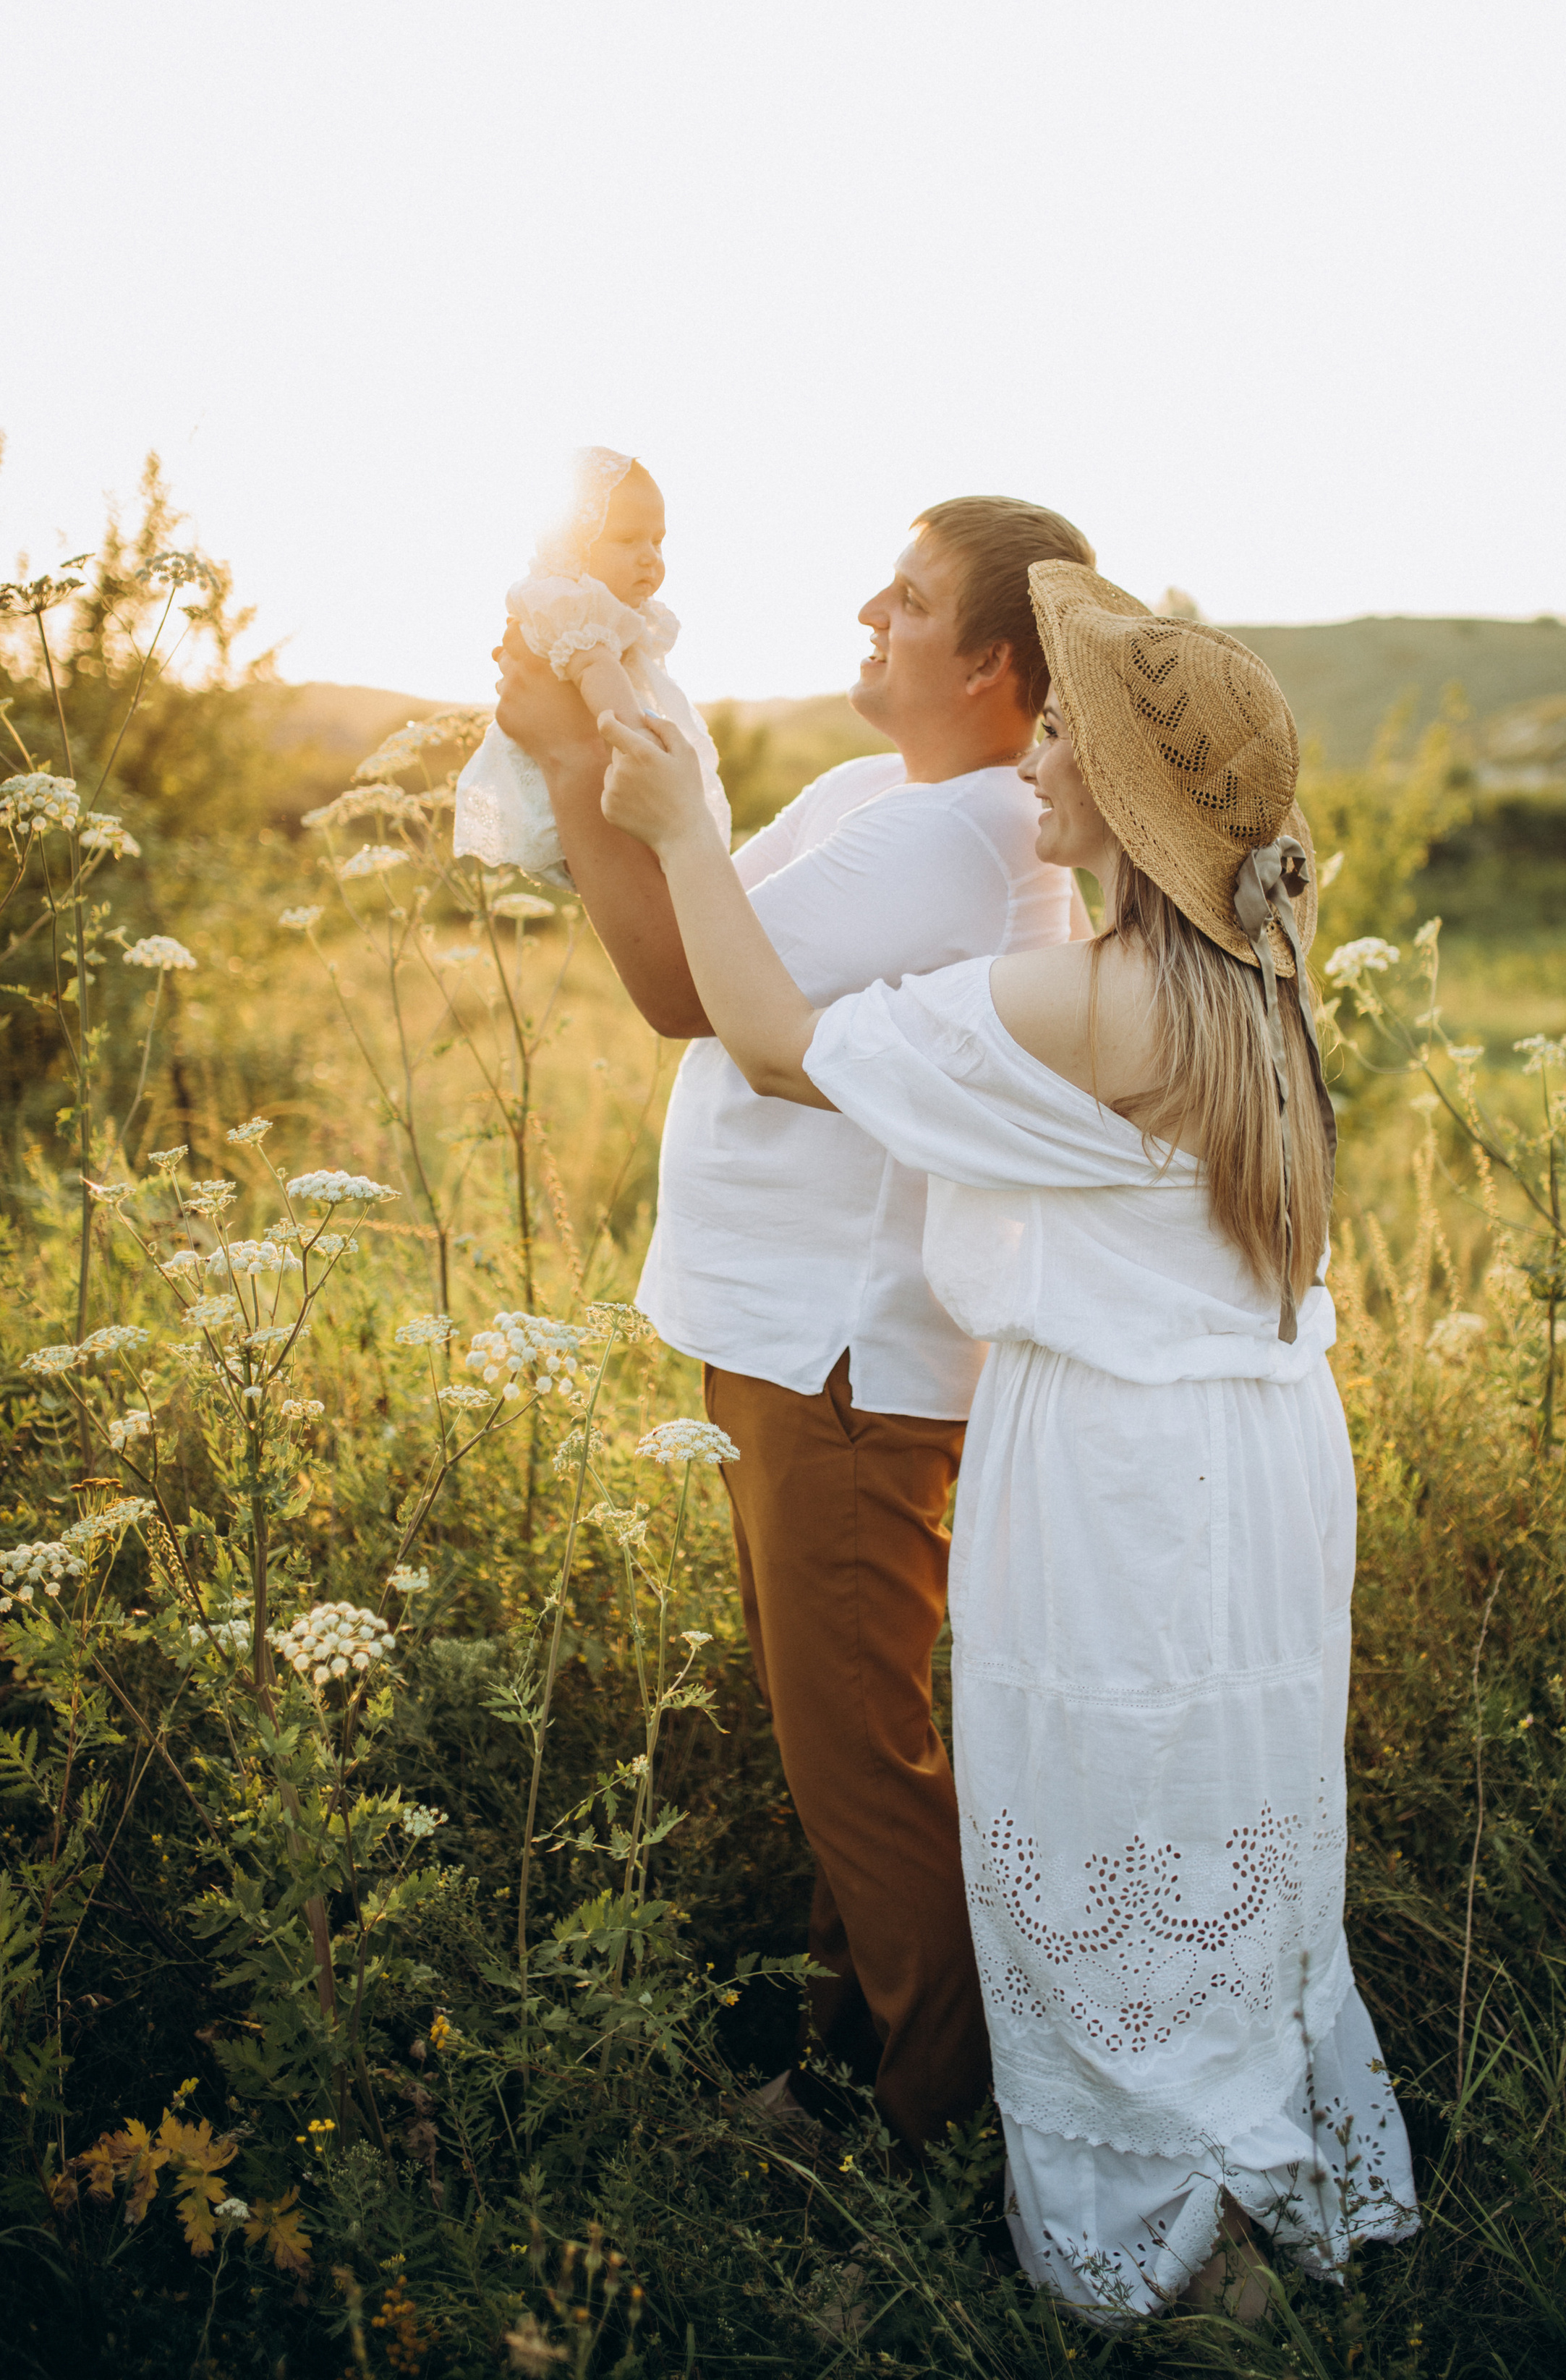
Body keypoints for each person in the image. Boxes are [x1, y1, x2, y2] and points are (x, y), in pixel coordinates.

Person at [593, 562, 1420, 2319]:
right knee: (1212, 1815)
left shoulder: (1091, 1004)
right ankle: (1235, 2182)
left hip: (1116, 1469)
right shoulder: (1239, 983)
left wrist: (676, 821)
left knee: (1093, 1818)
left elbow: (764, 1034)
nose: (1030, 754)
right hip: (1254, 1458)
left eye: (1062, 734)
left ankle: (1167, 2258)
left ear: (1117, 795)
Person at [490, 496, 1097, 2154]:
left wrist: (569, 762)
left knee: (862, 1762)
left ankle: (945, 2134)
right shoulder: (865, 795)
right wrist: (595, 711)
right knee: (835, 1744)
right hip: (779, 1338)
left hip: (845, 1353)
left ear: (989, 662)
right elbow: (670, 901)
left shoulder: (965, 833)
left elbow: (690, 991)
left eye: (902, 600)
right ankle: (841, 2081)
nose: (865, 613)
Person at [454, 449, 728, 888]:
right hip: (591, 772)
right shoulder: (569, 606)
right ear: (573, 545)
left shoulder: (607, 612)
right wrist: (640, 746)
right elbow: (597, 672)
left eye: (657, 542)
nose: (649, 557)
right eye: (626, 541)